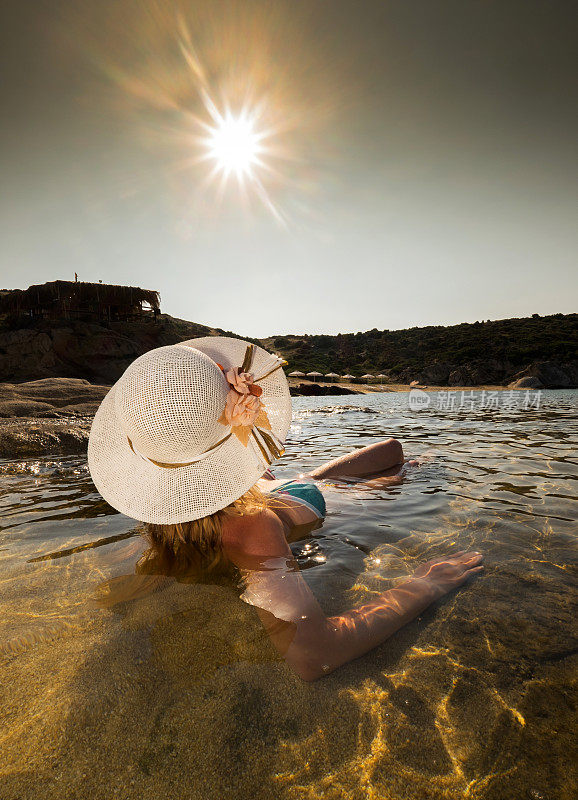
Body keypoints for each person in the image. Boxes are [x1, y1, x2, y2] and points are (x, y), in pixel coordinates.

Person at [88, 337, 483, 681]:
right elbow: (315, 658)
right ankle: (435, 461)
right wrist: (425, 584)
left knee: (393, 452)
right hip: (306, 495)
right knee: (403, 464)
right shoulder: (251, 526)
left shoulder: (161, 512)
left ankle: (414, 465)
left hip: (282, 489)